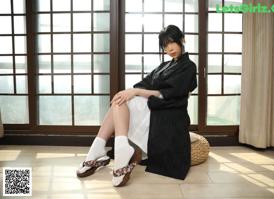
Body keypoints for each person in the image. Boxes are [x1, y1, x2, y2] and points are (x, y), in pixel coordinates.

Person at [76, 25, 197, 187]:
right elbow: (143, 84)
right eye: (165, 45)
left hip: (168, 112)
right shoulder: (163, 66)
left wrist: (135, 92)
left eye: (172, 43)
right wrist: (129, 91)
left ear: (182, 40)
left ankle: (103, 150)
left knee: (124, 100)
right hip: (154, 106)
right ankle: (110, 149)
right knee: (121, 99)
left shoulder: (189, 66)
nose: (170, 48)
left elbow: (171, 93)